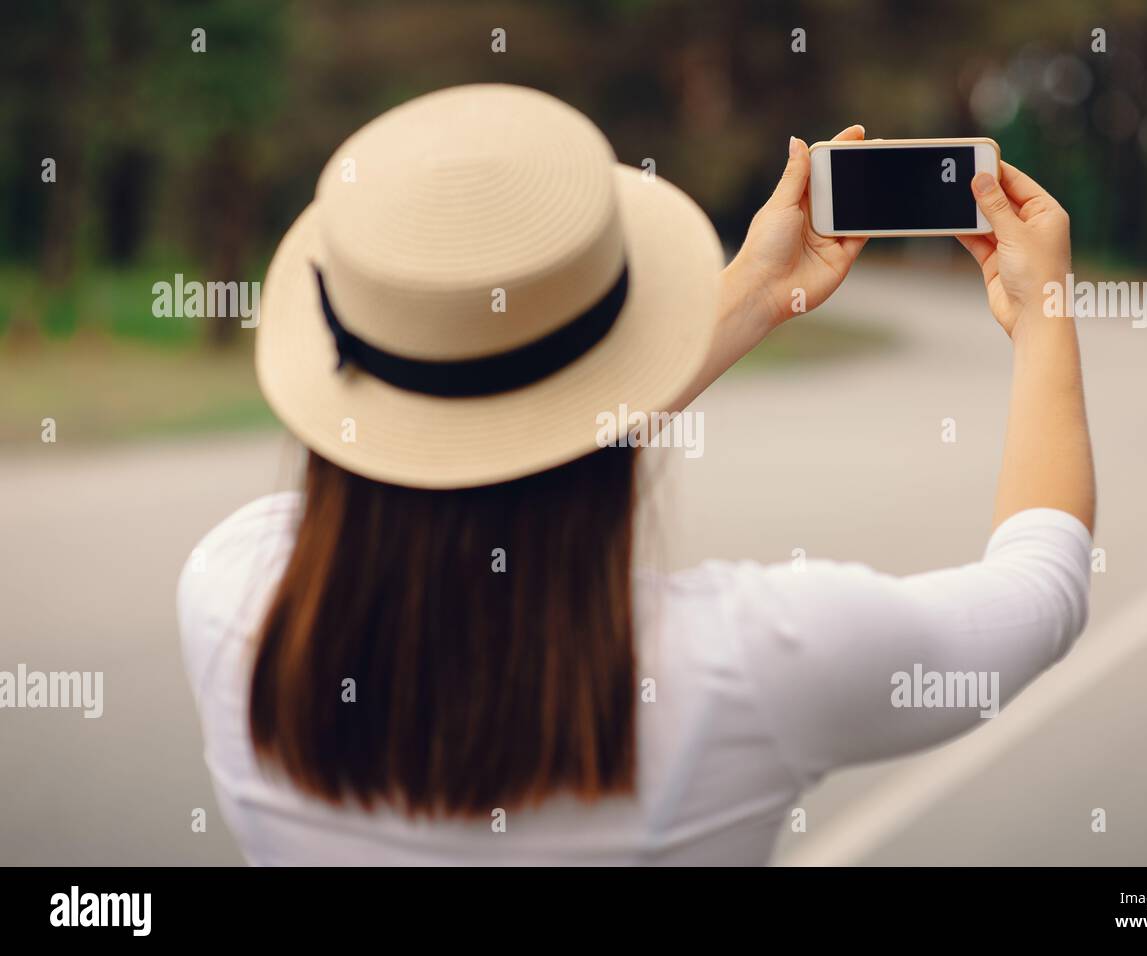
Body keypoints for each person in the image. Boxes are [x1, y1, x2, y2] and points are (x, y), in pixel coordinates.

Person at [179, 84, 1094, 866]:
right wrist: (1043, 308)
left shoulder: (232, 597)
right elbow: (1040, 590)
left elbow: (502, 428)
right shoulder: (749, 664)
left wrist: (760, 291)